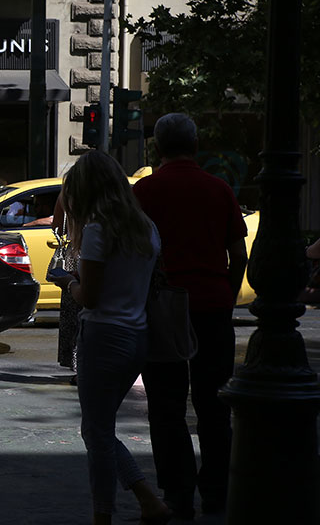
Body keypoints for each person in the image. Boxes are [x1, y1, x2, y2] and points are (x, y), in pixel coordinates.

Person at [132, 113, 248, 519]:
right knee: (214, 405)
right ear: (196, 146)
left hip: (162, 309)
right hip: (213, 308)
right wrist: (226, 297)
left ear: (157, 148)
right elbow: (239, 255)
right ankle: (216, 491)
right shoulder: (219, 190)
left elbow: (133, 254)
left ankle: (177, 493)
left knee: (166, 407)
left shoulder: (145, 191)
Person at [48, 150, 170, 525]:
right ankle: (146, 500)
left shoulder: (99, 230)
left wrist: (67, 281)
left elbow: (91, 295)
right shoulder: (145, 227)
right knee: (98, 428)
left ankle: (108, 512)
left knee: (97, 432)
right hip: (137, 337)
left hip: (102, 337)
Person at [51, 191, 80, 384]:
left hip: (73, 255)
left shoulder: (67, 194)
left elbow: (56, 228)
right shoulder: (103, 193)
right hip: (97, 252)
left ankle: (78, 365)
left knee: (74, 313)